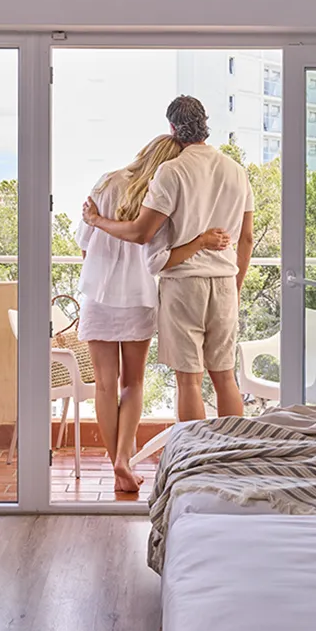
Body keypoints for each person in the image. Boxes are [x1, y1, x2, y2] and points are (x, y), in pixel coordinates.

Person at [83, 96, 254, 423]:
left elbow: (141, 233)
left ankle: (193, 462)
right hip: (225, 284)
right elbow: (245, 238)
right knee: (225, 375)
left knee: (189, 381)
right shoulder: (237, 172)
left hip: (184, 283)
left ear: (173, 128)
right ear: (206, 123)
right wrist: (236, 285)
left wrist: (96, 221)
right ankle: (234, 458)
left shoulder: (172, 171)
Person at [76, 134, 230, 492]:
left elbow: (85, 243)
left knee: (103, 385)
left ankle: (116, 460)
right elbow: (159, 255)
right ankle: (123, 461)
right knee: (132, 383)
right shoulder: (160, 195)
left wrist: (101, 273)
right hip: (140, 297)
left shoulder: (105, 182)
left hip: (99, 296)